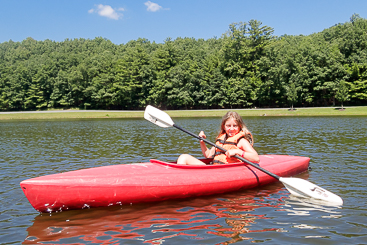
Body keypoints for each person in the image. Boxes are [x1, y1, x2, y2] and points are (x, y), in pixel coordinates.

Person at [177, 111, 260, 165]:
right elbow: (208, 155)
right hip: (214, 169)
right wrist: (202, 142)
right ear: (223, 127)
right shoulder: (222, 139)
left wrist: (238, 151)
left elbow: (256, 158)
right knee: (183, 157)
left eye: (235, 126)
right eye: (228, 126)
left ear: (239, 127)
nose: (231, 129)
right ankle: (178, 179)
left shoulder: (241, 141)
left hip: (227, 171)